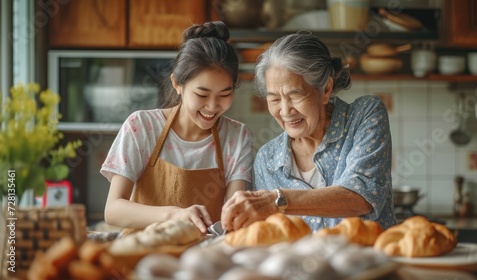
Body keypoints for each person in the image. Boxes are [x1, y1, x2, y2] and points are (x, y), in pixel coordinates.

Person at [221, 32, 396, 233]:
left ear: (326, 89)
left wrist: (276, 200)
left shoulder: (364, 115)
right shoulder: (268, 160)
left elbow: (361, 197)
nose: (285, 111)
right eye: (275, 99)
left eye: (295, 96)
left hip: (371, 262)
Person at [101, 21, 253, 236]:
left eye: (225, 95)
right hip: (141, 254)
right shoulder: (142, 127)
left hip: (203, 261)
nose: (212, 106)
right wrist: (174, 215)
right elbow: (113, 210)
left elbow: (235, 212)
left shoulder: (237, 136)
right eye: (202, 94)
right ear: (177, 84)